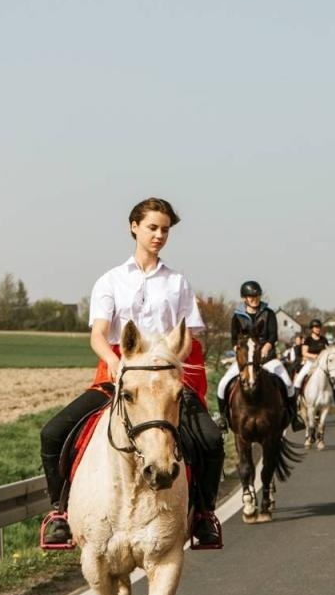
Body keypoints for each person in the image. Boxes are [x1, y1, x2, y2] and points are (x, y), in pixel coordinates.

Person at [38, 197, 224, 551]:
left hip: (166, 381)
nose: (159, 235)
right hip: (119, 377)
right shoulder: (110, 281)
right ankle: (60, 512)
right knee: (53, 433)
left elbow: (188, 336)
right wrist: (113, 359)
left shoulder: (178, 282)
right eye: (152, 227)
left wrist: (170, 365)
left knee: (211, 440)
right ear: (133, 227)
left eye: (165, 230)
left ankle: (203, 515)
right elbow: (98, 334)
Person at [217, 280, 303, 432]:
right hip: (245, 361)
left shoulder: (268, 313)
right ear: (244, 298)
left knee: (288, 383)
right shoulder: (237, 316)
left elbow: (273, 336)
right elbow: (233, 339)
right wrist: (240, 351)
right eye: (251, 296)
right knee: (223, 384)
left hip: (267, 358)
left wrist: (266, 348)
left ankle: (294, 417)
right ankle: (223, 418)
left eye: (256, 295)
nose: (254, 298)